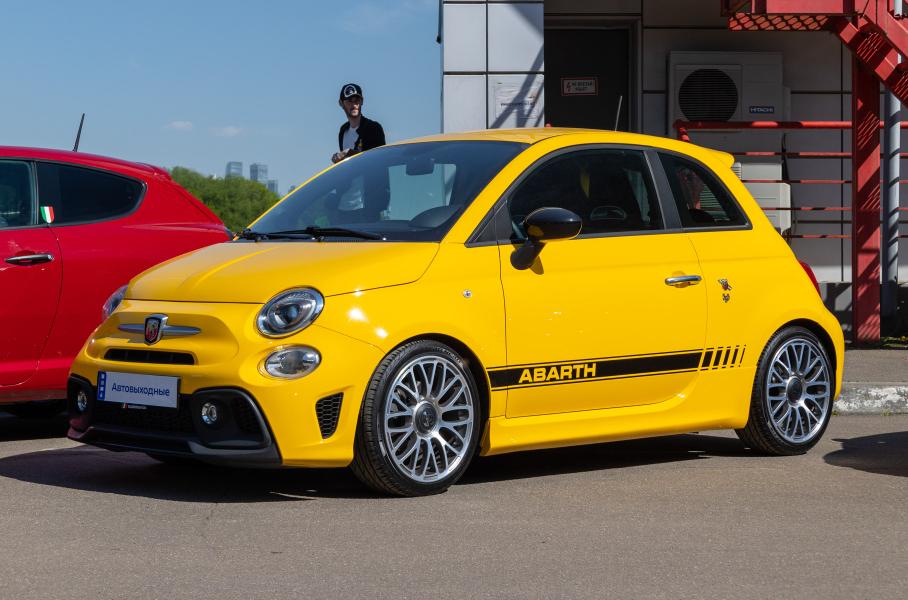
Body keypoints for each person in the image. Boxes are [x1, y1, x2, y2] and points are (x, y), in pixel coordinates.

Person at [332, 83, 386, 164]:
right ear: (341, 103)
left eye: (357, 100)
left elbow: (379, 159)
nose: (354, 105)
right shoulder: (343, 130)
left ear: (362, 101)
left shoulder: (373, 128)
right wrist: (338, 157)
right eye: (349, 101)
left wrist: (349, 153)